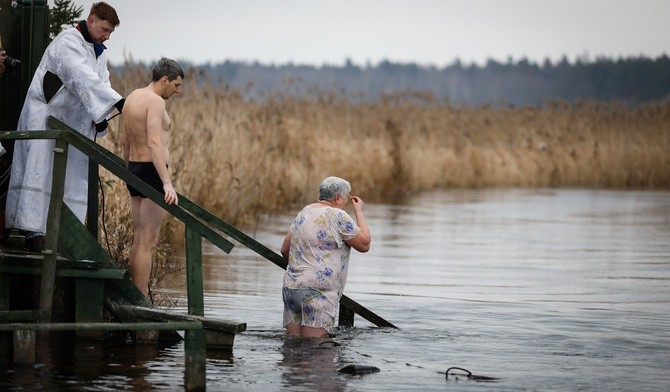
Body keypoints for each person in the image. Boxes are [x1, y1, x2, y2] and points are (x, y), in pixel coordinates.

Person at [4, 2, 124, 252]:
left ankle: (62, 233)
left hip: (70, 125)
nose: (107, 36)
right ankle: (32, 231)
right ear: (91, 21)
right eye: (104, 29)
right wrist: (117, 102)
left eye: (111, 32)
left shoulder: (98, 52)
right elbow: (81, 77)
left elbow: (101, 81)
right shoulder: (67, 42)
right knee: (40, 172)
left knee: (68, 177)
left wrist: (102, 114)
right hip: (45, 118)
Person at [280, 176, 371, 338]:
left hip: (291, 288)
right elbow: (364, 245)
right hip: (318, 292)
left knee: (291, 349)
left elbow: (284, 249)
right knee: (316, 352)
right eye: (346, 198)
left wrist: (299, 273)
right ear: (337, 198)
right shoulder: (338, 215)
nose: (346, 203)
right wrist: (359, 212)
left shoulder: (305, 212)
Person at [122, 57, 183, 298]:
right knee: (149, 241)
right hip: (152, 172)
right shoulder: (156, 102)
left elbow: (125, 141)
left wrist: (128, 172)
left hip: (135, 169)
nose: (178, 91)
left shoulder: (132, 97)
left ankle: (135, 294)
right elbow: (154, 141)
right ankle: (142, 298)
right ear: (164, 79)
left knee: (139, 239)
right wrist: (166, 182)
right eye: (176, 85)